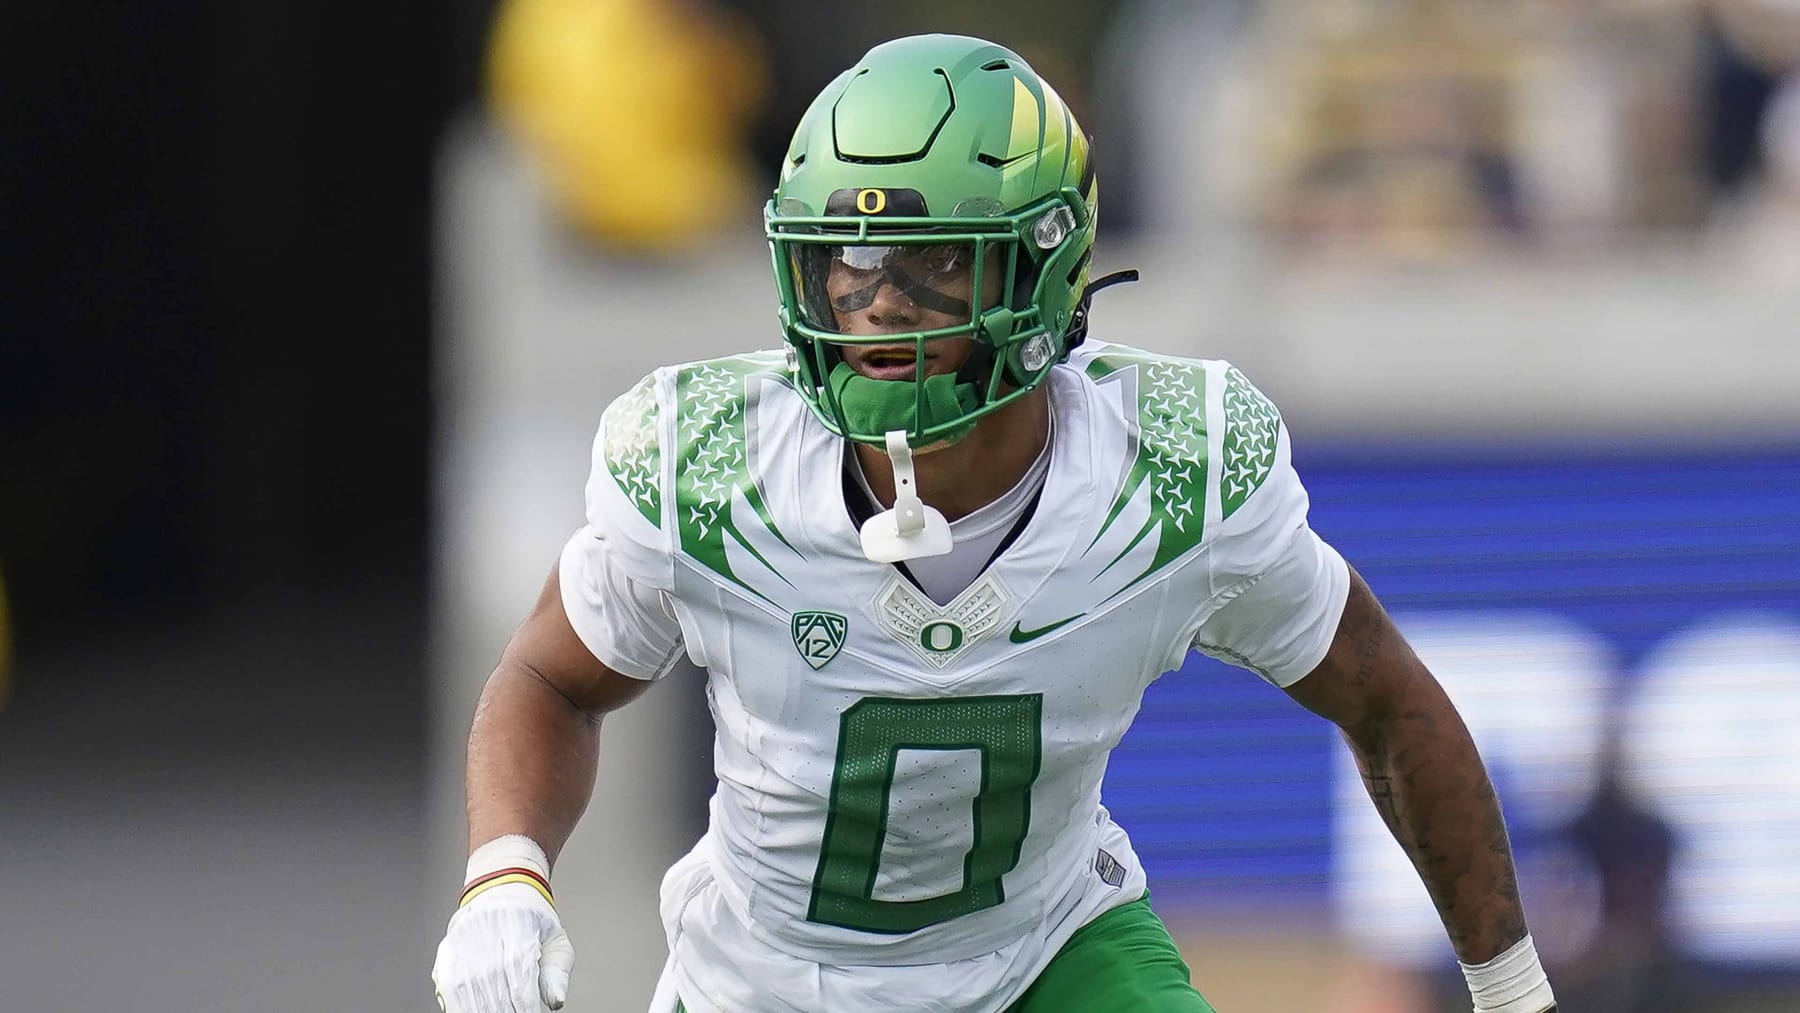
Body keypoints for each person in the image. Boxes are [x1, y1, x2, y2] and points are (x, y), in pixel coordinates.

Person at [431, 34, 1556, 1013]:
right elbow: (551, 676)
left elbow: (1388, 702)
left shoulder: (1169, 471)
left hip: (1046, 952)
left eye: (929, 263)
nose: (877, 303)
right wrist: (505, 873)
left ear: (1043, 264)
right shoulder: (712, 462)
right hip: (768, 978)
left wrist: (1512, 990)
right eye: (845, 261)